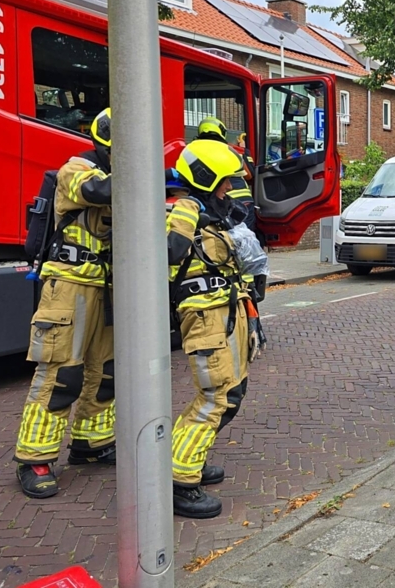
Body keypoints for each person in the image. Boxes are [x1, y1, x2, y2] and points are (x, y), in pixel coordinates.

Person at [14, 109, 116, 498]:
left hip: (107, 286)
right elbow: (96, 193)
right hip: (70, 284)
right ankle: (34, 458)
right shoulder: (78, 168)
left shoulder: (120, 175)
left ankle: (91, 443)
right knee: (61, 375)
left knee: (106, 373)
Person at [166, 139, 252, 518]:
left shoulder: (214, 217)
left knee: (231, 393)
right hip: (204, 319)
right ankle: (179, 481)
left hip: (225, 314)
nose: (229, 189)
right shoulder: (182, 210)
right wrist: (191, 213)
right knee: (216, 397)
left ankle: (184, 457)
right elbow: (171, 251)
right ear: (205, 180)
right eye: (224, 183)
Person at [197, 117, 257, 232]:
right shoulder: (230, 150)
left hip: (218, 202)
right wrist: (242, 150)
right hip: (242, 201)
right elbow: (249, 175)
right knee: (246, 237)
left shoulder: (195, 151)